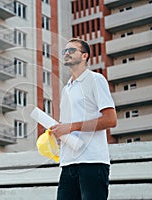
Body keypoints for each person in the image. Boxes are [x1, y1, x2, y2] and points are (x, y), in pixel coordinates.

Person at [50, 38, 117, 200]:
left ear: (85, 56)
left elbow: (110, 120)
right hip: (68, 164)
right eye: (65, 51)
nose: (66, 53)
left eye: (72, 50)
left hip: (92, 162)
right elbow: (68, 126)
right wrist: (59, 133)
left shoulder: (95, 80)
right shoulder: (66, 89)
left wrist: (71, 127)